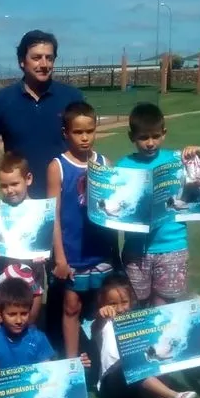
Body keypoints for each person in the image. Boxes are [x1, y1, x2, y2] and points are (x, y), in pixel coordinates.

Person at [92, 274, 200, 398]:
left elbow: (169, 321)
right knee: (132, 365)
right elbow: (95, 326)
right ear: (102, 303)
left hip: (136, 385)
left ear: (132, 301)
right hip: (111, 385)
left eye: (124, 302)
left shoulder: (138, 322)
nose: (119, 308)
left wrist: (193, 306)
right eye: (112, 304)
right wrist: (101, 315)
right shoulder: (103, 323)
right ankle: (173, 396)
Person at [47, 101, 119, 358]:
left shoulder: (104, 163)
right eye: (78, 132)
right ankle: (72, 362)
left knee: (103, 305)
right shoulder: (57, 167)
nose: (85, 137)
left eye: (90, 130)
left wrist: (114, 252)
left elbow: (113, 210)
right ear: (66, 133)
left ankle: (104, 358)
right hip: (72, 254)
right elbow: (53, 216)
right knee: (71, 306)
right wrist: (60, 258)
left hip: (100, 251)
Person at [117, 102, 200, 308]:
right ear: (132, 137)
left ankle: (160, 342)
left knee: (163, 305)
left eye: (155, 136)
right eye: (143, 137)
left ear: (164, 133)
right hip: (135, 249)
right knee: (136, 305)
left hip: (172, 245)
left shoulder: (178, 159)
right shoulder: (123, 165)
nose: (150, 143)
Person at [0, 30, 84, 199]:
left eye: (49, 58)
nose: (44, 64)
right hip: (20, 200)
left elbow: (83, 144)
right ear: (22, 61)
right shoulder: (0, 99)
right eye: (36, 58)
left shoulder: (72, 97)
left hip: (65, 198)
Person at [0, 278, 91, 378]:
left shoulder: (38, 338)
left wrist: (75, 365)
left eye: (24, 313)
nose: (19, 320)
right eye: (12, 314)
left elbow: (48, 373)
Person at [0, 153, 45, 327]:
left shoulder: (40, 209)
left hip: (33, 272)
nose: (9, 190)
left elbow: (45, 241)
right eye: (4, 185)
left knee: (29, 324)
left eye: (14, 184)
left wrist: (44, 254)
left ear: (28, 179)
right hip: (2, 271)